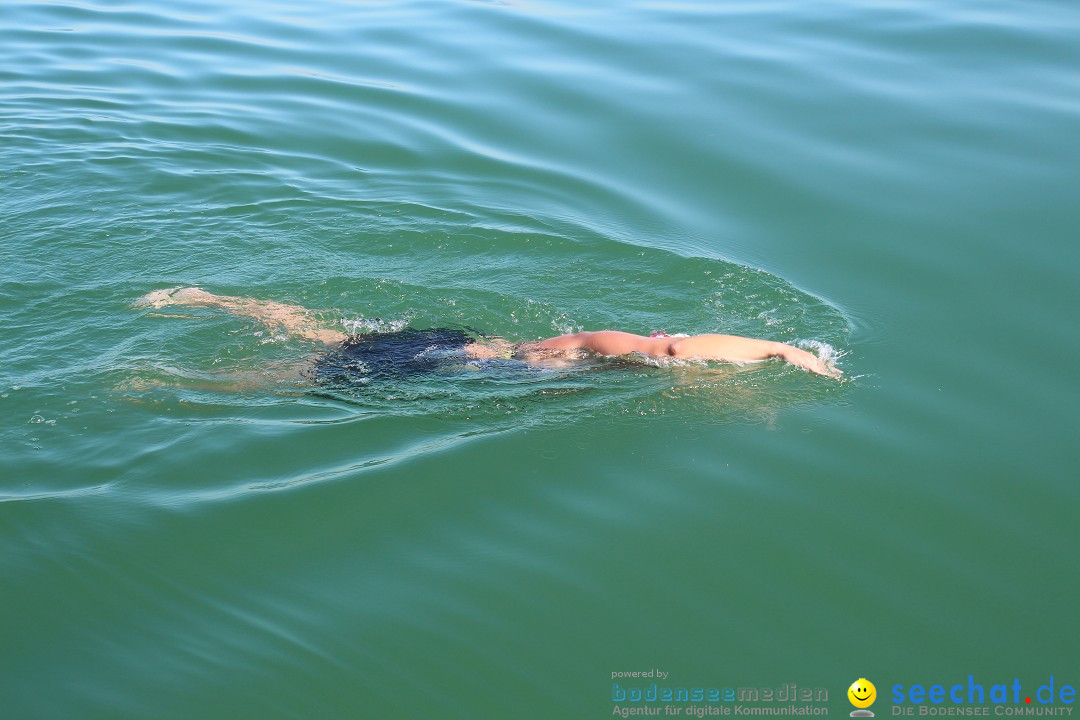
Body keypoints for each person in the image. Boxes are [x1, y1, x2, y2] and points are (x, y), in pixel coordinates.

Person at [137, 287, 842, 379]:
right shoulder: (624, 346)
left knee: (320, 339)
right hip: (445, 358)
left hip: (457, 346)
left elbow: (683, 354)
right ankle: (153, 387)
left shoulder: (590, 347)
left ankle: (204, 298)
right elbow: (677, 351)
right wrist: (787, 351)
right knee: (292, 378)